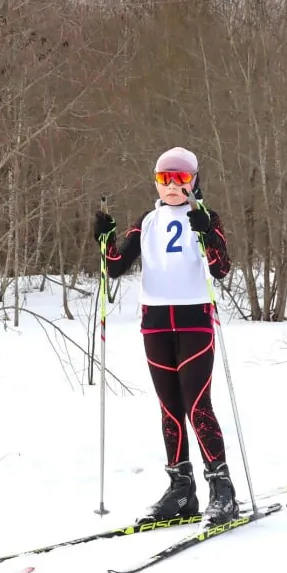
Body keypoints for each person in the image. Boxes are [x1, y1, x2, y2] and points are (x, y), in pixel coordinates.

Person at [92, 146, 239, 526]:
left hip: (193, 320)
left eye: (181, 178)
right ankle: (181, 488)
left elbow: (221, 268)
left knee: (197, 405)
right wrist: (105, 237)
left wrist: (208, 234)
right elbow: (116, 266)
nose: (172, 186)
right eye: (164, 179)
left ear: (194, 181)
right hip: (155, 321)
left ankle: (222, 489)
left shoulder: (203, 216)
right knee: (169, 408)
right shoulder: (149, 220)